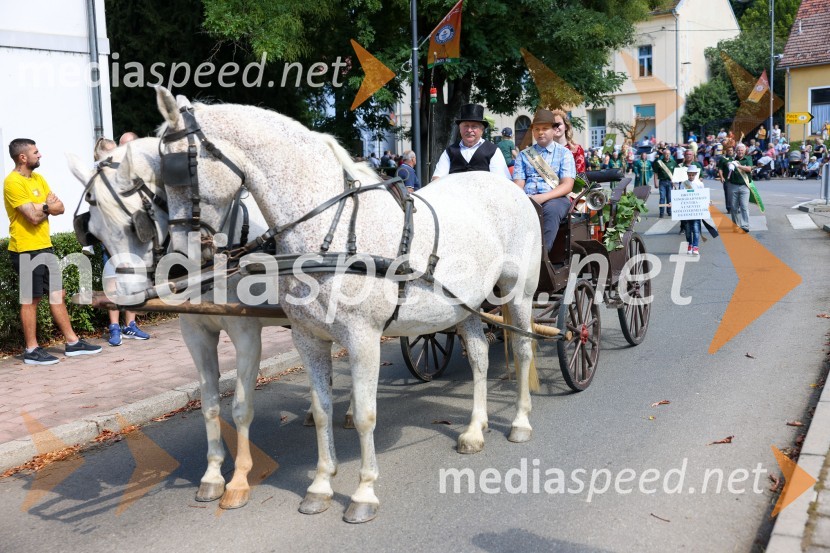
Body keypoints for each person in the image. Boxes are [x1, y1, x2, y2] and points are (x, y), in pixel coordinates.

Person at [4, 138, 102, 364]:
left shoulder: (38, 178)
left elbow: (61, 207)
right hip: (25, 249)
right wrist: (46, 207)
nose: (40, 155)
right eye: (36, 152)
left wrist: (41, 207)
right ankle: (31, 350)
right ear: (23, 157)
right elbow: (32, 216)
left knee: (58, 294)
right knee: (31, 300)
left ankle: (72, 343)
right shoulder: (12, 182)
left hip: (44, 246)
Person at [512, 109, 576, 254]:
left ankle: (541, 257)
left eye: (545, 128)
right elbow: (518, 184)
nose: (540, 132)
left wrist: (542, 198)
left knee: (550, 210)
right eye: (537, 129)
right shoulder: (523, 155)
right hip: (528, 198)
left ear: (554, 130)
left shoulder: (564, 153)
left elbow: (567, 185)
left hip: (556, 198)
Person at [432, 104, 510, 180]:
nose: (469, 130)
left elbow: (502, 180)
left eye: (474, 126)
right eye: (466, 126)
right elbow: (437, 178)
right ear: (460, 129)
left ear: (482, 130)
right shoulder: (449, 152)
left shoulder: (493, 151)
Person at [726, 143, 754, 232]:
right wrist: (729, 164)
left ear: (745, 151)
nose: (740, 152)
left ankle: (745, 225)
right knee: (733, 208)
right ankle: (735, 225)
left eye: (741, 150)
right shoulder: (732, 159)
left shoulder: (748, 159)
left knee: (744, 207)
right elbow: (727, 165)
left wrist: (737, 165)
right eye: (738, 150)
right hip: (733, 186)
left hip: (744, 186)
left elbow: (749, 169)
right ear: (736, 151)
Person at [549, 109, 585, 175]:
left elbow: (580, 176)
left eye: (559, 124)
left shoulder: (576, 150)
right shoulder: (545, 150)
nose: (556, 127)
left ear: (566, 127)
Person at [681, 165, 704, 256]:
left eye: (692, 175)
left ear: (695, 174)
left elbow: (703, 196)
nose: (691, 176)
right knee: (687, 230)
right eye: (689, 175)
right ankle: (689, 244)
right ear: (687, 174)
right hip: (686, 211)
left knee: (695, 229)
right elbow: (679, 196)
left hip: (696, 211)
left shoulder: (699, 184)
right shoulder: (684, 184)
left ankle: (695, 246)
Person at [653, 148, 677, 218]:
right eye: (666, 154)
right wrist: (655, 183)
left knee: (669, 198)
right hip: (662, 182)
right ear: (663, 155)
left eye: (668, 154)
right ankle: (661, 212)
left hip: (670, 182)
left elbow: (676, 173)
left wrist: (674, 182)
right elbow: (656, 173)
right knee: (662, 197)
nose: (667, 155)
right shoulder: (659, 162)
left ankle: (669, 211)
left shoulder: (673, 162)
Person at [717, 143, 735, 213]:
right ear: (726, 151)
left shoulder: (735, 158)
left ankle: (736, 207)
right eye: (729, 150)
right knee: (728, 194)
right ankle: (729, 208)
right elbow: (720, 169)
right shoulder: (723, 159)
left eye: (731, 150)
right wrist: (721, 177)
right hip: (727, 179)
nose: (730, 151)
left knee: (736, 194)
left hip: (735, 179)